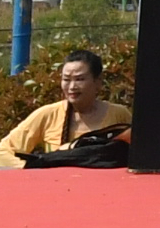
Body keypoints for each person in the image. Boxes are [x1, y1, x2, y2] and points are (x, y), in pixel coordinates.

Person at [1, 49, 130, 167]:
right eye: (67, 79)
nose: (72, 87)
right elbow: (4, 150)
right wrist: (31, 167)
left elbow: (137, 153)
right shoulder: (48, 114)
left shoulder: (119, 115)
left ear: (97, 81)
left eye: (79, 79)